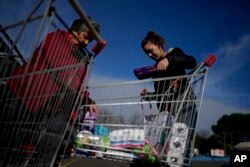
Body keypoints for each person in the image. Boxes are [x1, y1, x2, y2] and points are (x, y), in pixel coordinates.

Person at [0, 17, 99, 166]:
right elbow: (61, 69)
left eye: (90, 41)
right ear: (75, 31)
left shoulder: (81, 59)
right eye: (86, 37)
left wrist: (86, 99)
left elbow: (79, 85)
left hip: (44, 106)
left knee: (28, 145)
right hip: (24, 94)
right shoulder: (57, 38)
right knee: (9, 143)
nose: (86, 43)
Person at [139, 31, 197, 166]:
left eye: (150, 50)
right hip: (167, 111)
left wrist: (168, 59)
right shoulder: (156, 69)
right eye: (146, 53)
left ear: (158, 44)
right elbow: (160, 94)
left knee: (182, 142)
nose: (149, 55)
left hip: (183, 102)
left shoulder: (174, 52)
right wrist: (147, 96)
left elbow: (192, 62)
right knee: (166, 146)